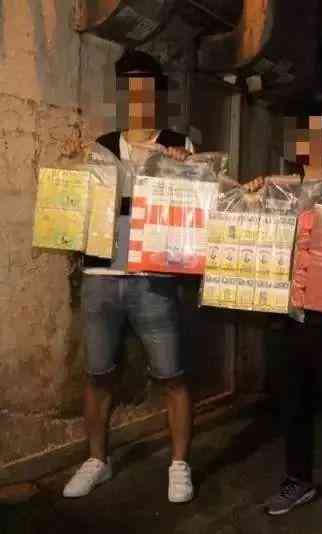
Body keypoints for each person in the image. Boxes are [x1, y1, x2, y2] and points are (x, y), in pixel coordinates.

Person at [62, 50, 196, 503]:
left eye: (146, 89)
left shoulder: (178, 143)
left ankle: (179, 464)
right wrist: (72, 167)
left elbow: (195, 209)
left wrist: (184, 168)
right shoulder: (101, 146)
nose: (139, 98)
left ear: (157, 95)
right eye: (130, 89)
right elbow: (79, 205)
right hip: (101, 274)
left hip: (153, 277)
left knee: (172, 375)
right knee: (98, 373)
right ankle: (97, 460)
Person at [248, 115, 322, 525]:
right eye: (310, 137)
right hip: (285, 315)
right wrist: (251, 194)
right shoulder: (278, 190)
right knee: (293, 402)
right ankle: (297, 479)